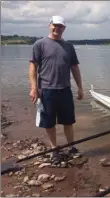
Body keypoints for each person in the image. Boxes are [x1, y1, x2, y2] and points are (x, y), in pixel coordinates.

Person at [29, 16, 84, 162]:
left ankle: (72, 147)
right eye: (55, 25)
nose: (57, 28)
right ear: (50, 25)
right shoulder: (39, 44)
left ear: (64, 28)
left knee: (68, 122)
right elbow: (33, 66)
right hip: (47, 90)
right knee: (49, 123)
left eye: (60, 26)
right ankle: (54, 150)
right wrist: (34, 88)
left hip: (65, 90)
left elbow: (74, 68)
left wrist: (80, 87)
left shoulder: (69, 47)